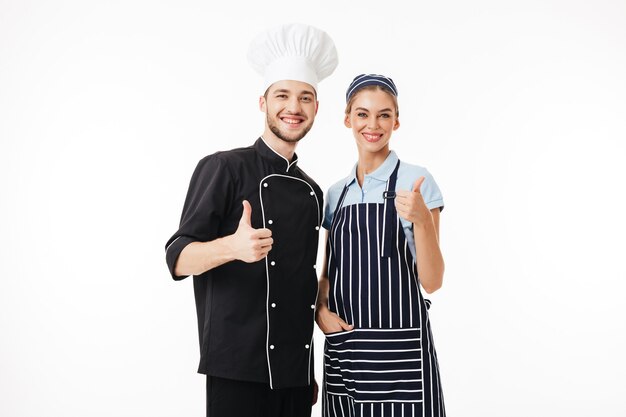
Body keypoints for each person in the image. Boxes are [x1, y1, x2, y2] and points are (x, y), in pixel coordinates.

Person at [164, 23, 338, 417]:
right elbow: (176, 257)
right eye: (282, 95)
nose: (293, 108)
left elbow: (298, 281)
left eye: (305, 98)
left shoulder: (313, 191)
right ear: (263, 102)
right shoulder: (224, 168)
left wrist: (306, 370)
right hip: (236, 371)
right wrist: (232, 247)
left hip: (295, 377)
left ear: (315, 108)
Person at [315, 74, 446, 416]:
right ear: (347, 119)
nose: (373, 124)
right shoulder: (335, 194)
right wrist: (320, 311)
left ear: (396, 121)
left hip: (401, 358)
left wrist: (420, 219)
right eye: (362, 114)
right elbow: (328, 274)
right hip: (348, 351)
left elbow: (432, 280)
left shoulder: (417, 181)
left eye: (384, 115)